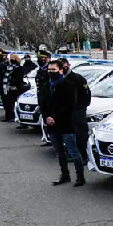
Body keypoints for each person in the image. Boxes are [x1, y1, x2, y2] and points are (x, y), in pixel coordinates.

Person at [42, 59, 85, 187]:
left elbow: (69, 106)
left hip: (66, 124)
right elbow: (43, 104)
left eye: (53, 70)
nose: (51, 72)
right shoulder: (46, 85)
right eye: (49, 70)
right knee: (59, 152)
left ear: (61, 70)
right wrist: (47, 117)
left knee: (73, 151)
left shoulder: (69, 85)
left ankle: (80, 177)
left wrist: (54, 118)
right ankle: (65, 175)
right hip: (52, 125)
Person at [60, 57, 91, 164]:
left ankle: (83, 155)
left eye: (64, 65)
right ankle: (72, 153)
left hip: (77, 111)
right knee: (68, 133)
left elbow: (86, 95)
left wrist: (80, 107)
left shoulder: (77, 78)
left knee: (81, 133)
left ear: (68, 65)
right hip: (65, 111)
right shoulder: (59, 79)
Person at [35, 50, 54, 146]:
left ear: (48, 59)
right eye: (39, 58)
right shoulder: (41, 69)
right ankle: (48, 138)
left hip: (48, 99)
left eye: (42, 58)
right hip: (42, 98)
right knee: (45, 118)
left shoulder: (49, 70)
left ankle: (52, 140)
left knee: (50, 119)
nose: (40, 60)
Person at [3, 53, 26, 124]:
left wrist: (14, 86)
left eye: (12, 59)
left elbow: (19, 79)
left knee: (12, 103)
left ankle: (13, 117)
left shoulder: (19, 68)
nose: (11, 60)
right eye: (10, 59)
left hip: (15, 88)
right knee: (7, 103)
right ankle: (8, 116)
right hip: (7, 88)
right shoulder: (9, 67)